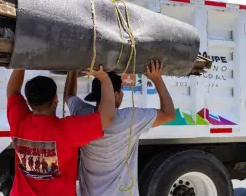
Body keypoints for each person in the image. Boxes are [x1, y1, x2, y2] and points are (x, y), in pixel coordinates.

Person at [65, 60, 176, 196]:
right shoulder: (130, 118)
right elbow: (169, 114)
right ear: (115, 94)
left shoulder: (82, 114)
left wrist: (72, 69)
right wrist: (157, 79)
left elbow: (69, 96)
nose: (122, 94)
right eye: (121, 90)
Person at [6, 67, 115, 196]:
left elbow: (12, 91)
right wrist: (105, 79)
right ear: (56, 100)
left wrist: (20, 63)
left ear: (28, 102)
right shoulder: (66, 130)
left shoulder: (19, 122)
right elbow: (106, 119)